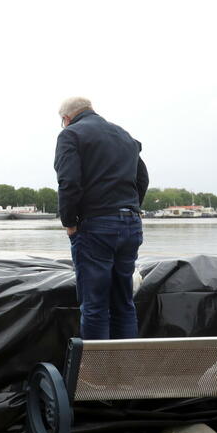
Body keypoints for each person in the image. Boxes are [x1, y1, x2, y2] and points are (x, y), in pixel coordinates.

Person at [53, 97, 149, 340]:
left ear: (66, 118)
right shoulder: (125, 136)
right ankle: (125, 371)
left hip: (96, 226)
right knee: (124, 303)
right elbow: (142, 179)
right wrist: (131, 207)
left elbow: (69, 182)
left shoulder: (71, 135)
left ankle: (97, 376)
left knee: (94, 306)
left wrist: (69, 222)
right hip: (130, 225)